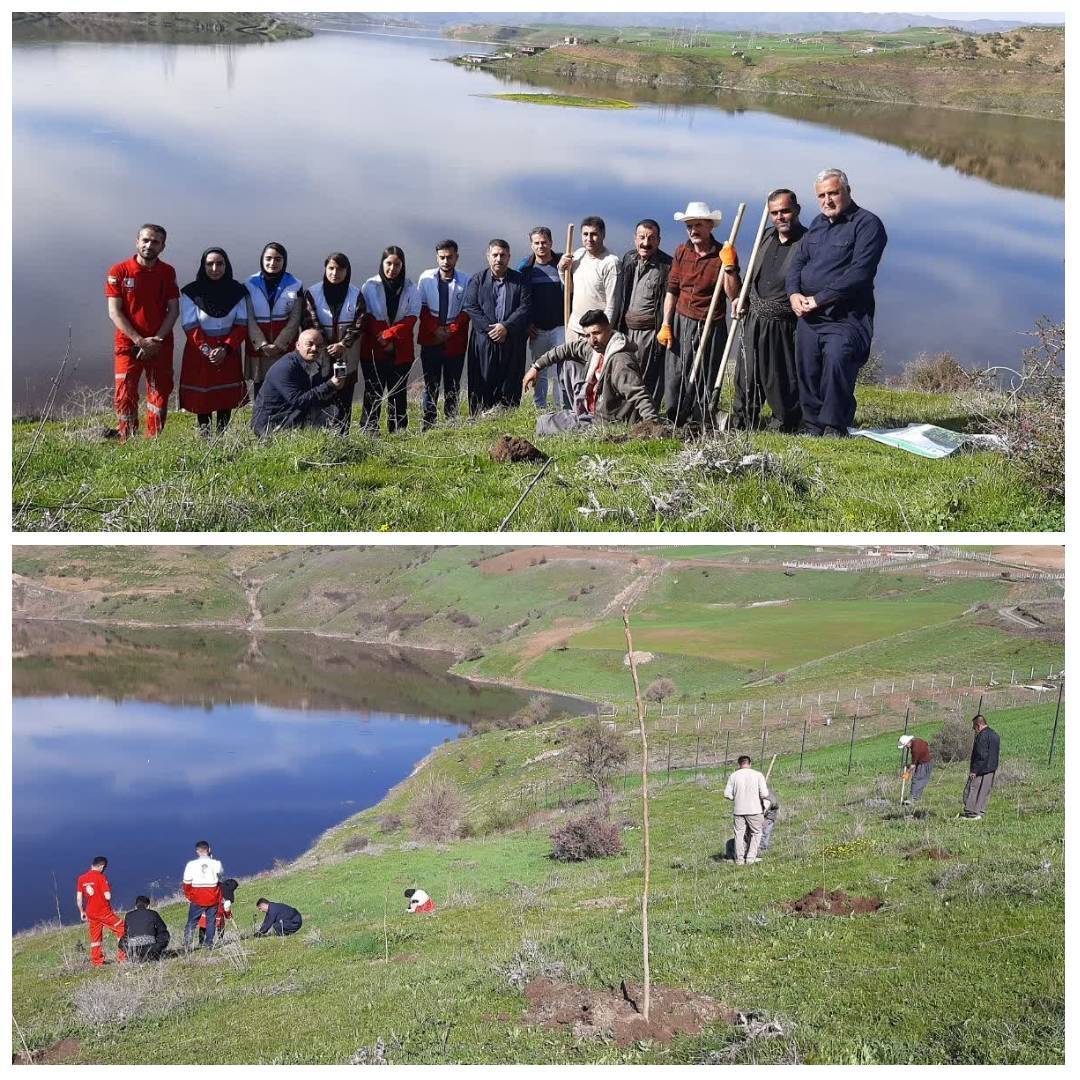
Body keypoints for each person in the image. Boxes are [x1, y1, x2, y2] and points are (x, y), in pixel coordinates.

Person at [786, 168, 888, 436]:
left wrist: (818, 299)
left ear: (847, 192)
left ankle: (834, 425)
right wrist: (793, 293)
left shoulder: (867, 224)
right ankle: (812, 425)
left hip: (846, 316)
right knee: (807, 368)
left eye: (833, 193)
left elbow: (860, 273)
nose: (827, 200)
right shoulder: (818, 225)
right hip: (810, 314)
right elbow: (798, 262)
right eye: (822, 195)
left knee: (837, 362)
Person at [731, 189, 807, 432]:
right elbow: (753, 273)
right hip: (754, 316)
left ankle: (783, 425)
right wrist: (741, 297)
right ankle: (743, 421)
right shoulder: (763, 237)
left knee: (779, 376)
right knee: (746, 373)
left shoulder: (807, 242)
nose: (780, 217)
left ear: (796, 210)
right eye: (775, 213)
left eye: (785, 211)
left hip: (783, 321)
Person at [660, 202, 741, 426]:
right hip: (682, 319)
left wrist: (730, 267)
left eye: (697, 225)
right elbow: (672, 290)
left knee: (706, 372)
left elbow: (734, 295)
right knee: (677, 371)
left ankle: (700, 418)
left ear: (709, 227)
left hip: (711, 323)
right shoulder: (681, 251)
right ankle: (675, 416)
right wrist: (666, 324)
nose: (693, 231)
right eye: (689, 226)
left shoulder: (722, 254)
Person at [524, 309, 661, 434]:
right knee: (568, 363)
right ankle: (575, 412)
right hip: (590, 407)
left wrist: (653, 425)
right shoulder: (595, 348)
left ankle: (574, 419)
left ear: (609, 329)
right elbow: (564, 350)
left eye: (596, 333)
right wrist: (536, 367)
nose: (592, 340)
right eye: (588, 335)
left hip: (605, 421)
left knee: (545, 423)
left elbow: (639, 394)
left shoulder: (620, 361)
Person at [105, 223, 180, 440]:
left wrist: (156, 340)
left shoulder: (168, 272)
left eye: (155, 242)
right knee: (125, 393)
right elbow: (114, 312)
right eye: (145, 240)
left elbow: (173, 310)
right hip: (128, 343)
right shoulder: (118, 271)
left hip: (160, 343)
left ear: (163, 246)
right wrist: (139, 341)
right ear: (136, 241)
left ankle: (153, 440)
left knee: (160, 392)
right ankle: (127, 438)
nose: (149, 245)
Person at [179, 247, 250, 436]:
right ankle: (205, 437)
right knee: (204, 397)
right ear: (203, 266)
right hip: (200, 351)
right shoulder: (191, 292)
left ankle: (223, 436)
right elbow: (189, 325)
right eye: (209, 264)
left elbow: (242, 324)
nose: (215, 268)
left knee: (225, 396)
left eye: (220, 263)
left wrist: (225, 348)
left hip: (229, 349)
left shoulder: (238, 291)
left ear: (227, 265)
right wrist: (208, 350)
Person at [463, 239, 532, 413]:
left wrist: (506, 327)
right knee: (482, 380)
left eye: (502, 255)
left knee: (509, 381)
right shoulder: (477, 280)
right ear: (488, 257)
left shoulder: (520, 280)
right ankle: (480, 417)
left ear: (509, 257)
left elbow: (525, 307)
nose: (498, 259)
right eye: (495, 255)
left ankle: (507, 415)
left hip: (511, 339)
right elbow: (471, 306)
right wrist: (491, 329)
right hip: (484, 340)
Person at [611, 219, 672, 414]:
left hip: (649, 333)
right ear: (635, 238)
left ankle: (647, 418)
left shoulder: (667, 266)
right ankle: (625, 415)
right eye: (642, 237)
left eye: (651, 238)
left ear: (659, 240)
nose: (646, 243)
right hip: (626, 330)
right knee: (626, 373)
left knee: (647, 376)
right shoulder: (629, 259)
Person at [359, 246, 422, 434]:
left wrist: (390, 335)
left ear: (402, 266)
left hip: (401, 348)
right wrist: (383, 339)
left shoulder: (411, 287)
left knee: (398, 392)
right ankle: (369, 431)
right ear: (382, 263)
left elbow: (412, 317)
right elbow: (367, 316)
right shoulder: (370, 286)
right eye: (388, 263)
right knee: (373, 392)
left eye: (397, 264)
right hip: (373, 348)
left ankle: (398, 431)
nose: (392, 268)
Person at [557, 216, 620, 403]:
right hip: (574, 327)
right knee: (569, 369)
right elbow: (570, 287)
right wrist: (562, 269)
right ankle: (569, 408)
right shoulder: (577, 256)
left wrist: (603, 334)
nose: (589, 239)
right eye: (585, 234)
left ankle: (591, 412)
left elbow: (613, 302)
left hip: (593, 333)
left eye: (594, 234)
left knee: (592, 374)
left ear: (603, 235)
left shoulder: (610, 262)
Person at [302, 253, 366, 433]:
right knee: (320, 395)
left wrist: (342, 344)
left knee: (345, 397)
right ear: (325, 269)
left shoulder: (355, 294)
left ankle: (343, 435)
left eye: (340, 269)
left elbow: (360, 322)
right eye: (331, 268)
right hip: (320, 356)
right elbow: (310, 322)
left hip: (346, 356)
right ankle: (318, 435)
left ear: (347, 271)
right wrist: (327, 345)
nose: (335, 273)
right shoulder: (313, 293)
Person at [417, 240, 470, 430]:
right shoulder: (426, 278)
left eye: (449, 257)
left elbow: (467, 310)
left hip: (455, 340)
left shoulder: (466, 280)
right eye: (442, 257)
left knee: (452, 383)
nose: (446, 261)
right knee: (430, 383)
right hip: (431, 339)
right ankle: (428, 422)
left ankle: (451, 421)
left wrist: (451, 330)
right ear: (436, 258)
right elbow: (420, 307)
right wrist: (435, 330)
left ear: (456, 257)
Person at [251, 329, 345, 435]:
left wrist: (335, 387)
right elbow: (298, 401)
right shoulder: (286, 367)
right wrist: (330, 385)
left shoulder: (314, 365)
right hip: (270, 423)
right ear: (298, 345)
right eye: (309, 344)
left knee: (332, 410)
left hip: (292, 415)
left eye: (319, 346)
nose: (314, 349)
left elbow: (315, 397)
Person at [245, 242, 303, 401]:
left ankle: (284, 423)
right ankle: (260, 422)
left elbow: (295, 319)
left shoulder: (295, 284)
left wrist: (280, 344)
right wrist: (262, 344)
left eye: (278, 259)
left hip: (284, 346)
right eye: (268, 258)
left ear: (284, 261)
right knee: (261, 389)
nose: (272, 263)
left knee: (286, 385)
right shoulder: (250, 283)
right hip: (259, 348)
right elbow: (249, 317)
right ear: (262, 259)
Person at [517, 226, 565, 408]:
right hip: (537, 329)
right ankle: (540, 407)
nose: (541, 246)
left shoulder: (561, 263)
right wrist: (526, 324)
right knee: (539, 369)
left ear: (551, 242)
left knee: (561, 368)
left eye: (544, 242)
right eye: (536, 243)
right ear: (531, 245)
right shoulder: (526, 268)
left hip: (560, 326)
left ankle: (561, 406)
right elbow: (521, 299)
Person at [75, 856, 126, 966]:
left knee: (95, 937)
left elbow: (79, 898)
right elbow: (107, 896)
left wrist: (81, 912)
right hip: (103, 912)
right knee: (121, 927)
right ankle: (123, 956)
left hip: (90, 912)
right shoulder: (101, 877)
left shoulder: (81, 878)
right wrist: (109, 888)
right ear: (102, 866)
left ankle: (97, 961)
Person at [723, 755, 770, 865]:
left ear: (739, 764)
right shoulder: (758, 775)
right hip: (755, 809)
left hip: (739, 810)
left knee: (739, 835)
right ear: (750, 763)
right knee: (756, 833)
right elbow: (764, 794)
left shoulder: (734, 776)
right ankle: (750, 858)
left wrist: (735, 797)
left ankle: (739, 860)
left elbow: (726, 794)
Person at [182, 840, 224, 949]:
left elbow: (186, 883)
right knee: (211, 921)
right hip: (212, 897)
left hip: (197, 897)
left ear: (197, 851)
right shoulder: (216, 863)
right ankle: (208, 944)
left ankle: (187, 944)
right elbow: (221, 877)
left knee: (192, 922)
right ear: (209, 850)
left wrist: (188, 896)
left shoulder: (191, 865)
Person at [961, 714, 1000, 820]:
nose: (974, 730)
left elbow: (981, 755)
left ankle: (972, 812)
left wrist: (974, 770)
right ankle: (980, 812)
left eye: (974, 727)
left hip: (981, 769)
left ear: (978, 725)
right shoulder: (995, 734)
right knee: (984, 791)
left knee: (974, 789)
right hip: (991, 768)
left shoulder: (982, 736)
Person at [122, 896, 170, 962]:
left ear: (135, 906)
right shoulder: (153, 913)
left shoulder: (128, 915)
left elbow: (126, 932)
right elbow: (163, 929)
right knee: (164, 933)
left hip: (133, 948)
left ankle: (131, 957)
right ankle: (155, 955)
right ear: (148, 906)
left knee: (124, 938)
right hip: (150, 947)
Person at [198, 878, 238, 946]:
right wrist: (228, 915)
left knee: (203, 925)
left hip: (206, 911)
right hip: (217, 915)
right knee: (221, 925)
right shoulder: (227, 899)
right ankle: (219, 940)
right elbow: (226, 908)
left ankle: (201, 942)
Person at [898, 733, 933, 803]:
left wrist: (907, 773)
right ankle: (916, 798)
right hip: (929, 762)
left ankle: (912, 798)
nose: (906, 747)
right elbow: (926, 744)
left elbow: (913, 765)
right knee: (922, 781)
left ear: (908, 743)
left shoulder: (915, 750)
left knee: (916, 780)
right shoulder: (918, 740)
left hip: (923, 764)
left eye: (905, 746)